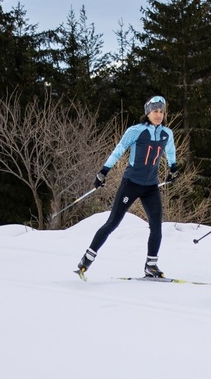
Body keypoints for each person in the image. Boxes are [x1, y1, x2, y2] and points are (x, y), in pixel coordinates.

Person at [75, 96, 178, 281]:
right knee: (113, 222)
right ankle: (87, 259)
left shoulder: (166, 134)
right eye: (155, 111)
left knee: (156, 226)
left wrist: (173, 168)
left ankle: (151, 266)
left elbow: (170, 151)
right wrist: (103, 171)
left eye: (162, 111)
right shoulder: (136, 131)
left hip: (151, 187)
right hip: (131, 184)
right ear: (148, 113)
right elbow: (119, 149)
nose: (159, 115)